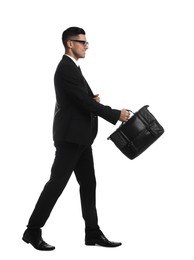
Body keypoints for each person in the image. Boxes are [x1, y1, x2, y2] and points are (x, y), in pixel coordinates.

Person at [22, 26, 130, 251]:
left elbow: (79, 99)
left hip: (81, 139)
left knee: (88, 184)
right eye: (83, 42)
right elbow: (83, 103)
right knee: (56, 185)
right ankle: (32, 231)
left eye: (87, 42)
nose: (86, 46)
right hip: (70, 139)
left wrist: (91, 99)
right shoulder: (66, 68)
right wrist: (115, 114)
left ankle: (92, 233)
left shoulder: (73, 68)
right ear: (70, 43)